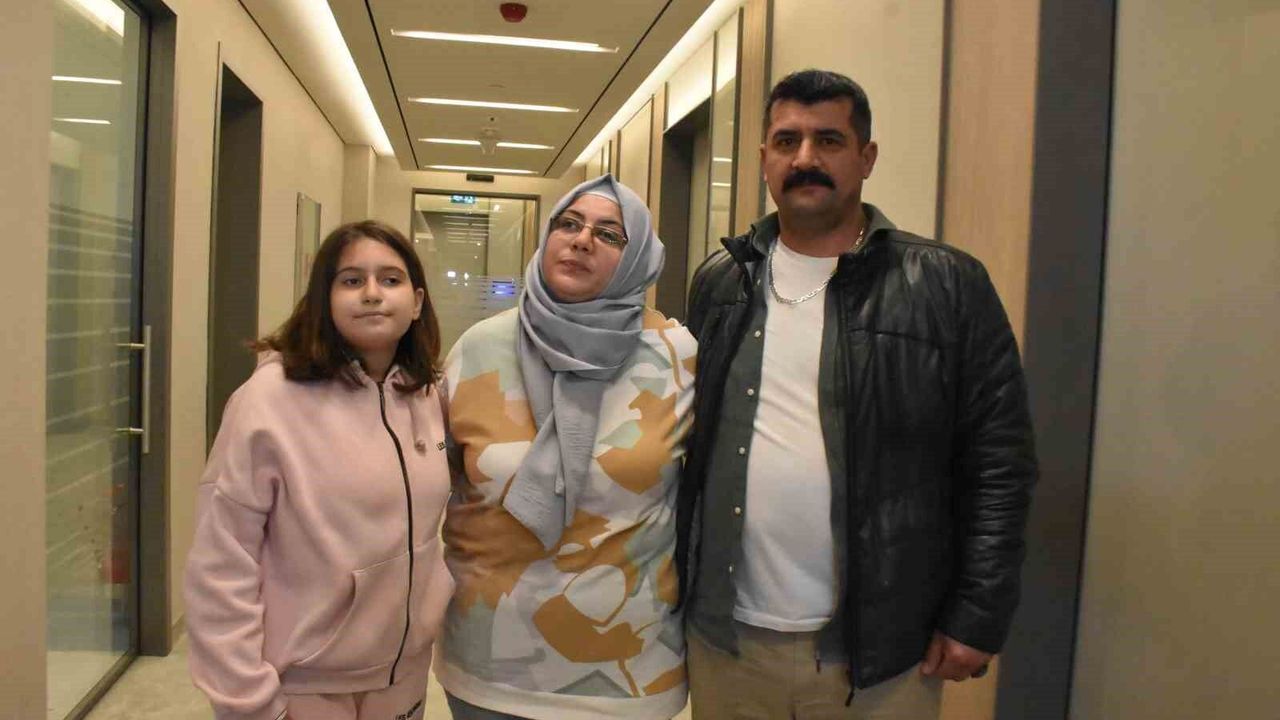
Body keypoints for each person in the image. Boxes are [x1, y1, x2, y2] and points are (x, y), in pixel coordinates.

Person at [676, 69, 1038, 718]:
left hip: (878, 654)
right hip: (725, 641)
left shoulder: (944, 284)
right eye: (786, 141)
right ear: (763, 159)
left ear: (866, 158)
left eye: (829, 140)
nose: (805, 159)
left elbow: (999, 461)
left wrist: (978, 613)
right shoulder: (723, 280)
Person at [436, 174, 696, 720]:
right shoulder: (480, 348)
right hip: (488, 664)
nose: (581, 240)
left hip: (630, 670)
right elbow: (424, 479)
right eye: (569, 224)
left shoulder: (677, 356)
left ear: (638, 259)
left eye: (609, 234)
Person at [184, 220, 454, 720]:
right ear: (324, 299)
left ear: (416, 302)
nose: (372, 293)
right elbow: (221, 561)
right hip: (304, 683)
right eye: (351, 280)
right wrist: (248, 701)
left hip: (403, 675)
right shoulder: (268, 401)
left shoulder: (425, 394)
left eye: (390, 279)